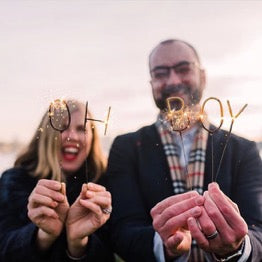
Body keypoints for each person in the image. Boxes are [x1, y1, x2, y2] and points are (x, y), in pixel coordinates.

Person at [105, 39, 262, 261]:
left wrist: (236, 247)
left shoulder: (243, 150)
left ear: (203, 77)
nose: (173, 80)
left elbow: (259, 230)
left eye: (183, 69)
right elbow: (121, 230)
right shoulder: (127, 148)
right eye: (160, 73)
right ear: (151, 84)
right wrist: (165, 245)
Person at [0, 99, 114, 261]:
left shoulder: (104, 184)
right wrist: (43, 236)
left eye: (81, 129)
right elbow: (4, 249)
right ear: (47, 134)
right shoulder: (14, 180)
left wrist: (78, 243)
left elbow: (111, 251)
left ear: (93, 139)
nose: (72, 136)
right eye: (62, 126)